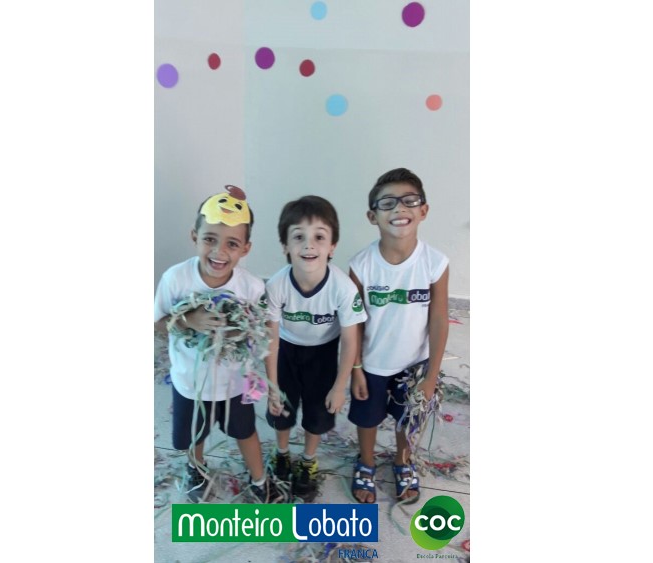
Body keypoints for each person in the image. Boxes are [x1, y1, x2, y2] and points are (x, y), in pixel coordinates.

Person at [154, 185, 284, 503]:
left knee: (245, 431)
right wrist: (188, 320)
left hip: (234, 384)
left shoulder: (251, 287)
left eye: (232, 244)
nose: (219, 252)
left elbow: (262, 331)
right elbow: (156, 323)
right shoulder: (176, 279)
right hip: (190, 384)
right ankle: (196, 469)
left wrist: (243, 336)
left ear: (246, 249)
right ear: (194, 236)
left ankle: (259, 479)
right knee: (194, 436)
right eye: (209, 239)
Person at [347, 168, 450, 504]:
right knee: (367, 419)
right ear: (372, 216)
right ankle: (366, 462)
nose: (399, 208)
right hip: (372, 364)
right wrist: (356, 368)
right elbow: (354, 324)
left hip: (415, 366)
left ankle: (402, 461)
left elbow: (438, 319)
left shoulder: (435, 263)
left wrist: (431, 376)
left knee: (409, 419)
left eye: (409, 200)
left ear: (424, 210)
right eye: (388, 203)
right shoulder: (361, 265)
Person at [264, 196, 367, 500]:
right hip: (286, 351)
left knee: (317, 413)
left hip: (323, 354)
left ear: (332, 246)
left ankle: (308, 460)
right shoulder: (276, 285)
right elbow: (271, 338)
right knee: (281, 409)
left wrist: (339, 386)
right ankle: (282, 453)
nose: (309, 245)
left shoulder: (343, 288)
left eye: (319, 237)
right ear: (285, 245)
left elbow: (350, 339)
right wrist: (271, 385)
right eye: (298, 237)